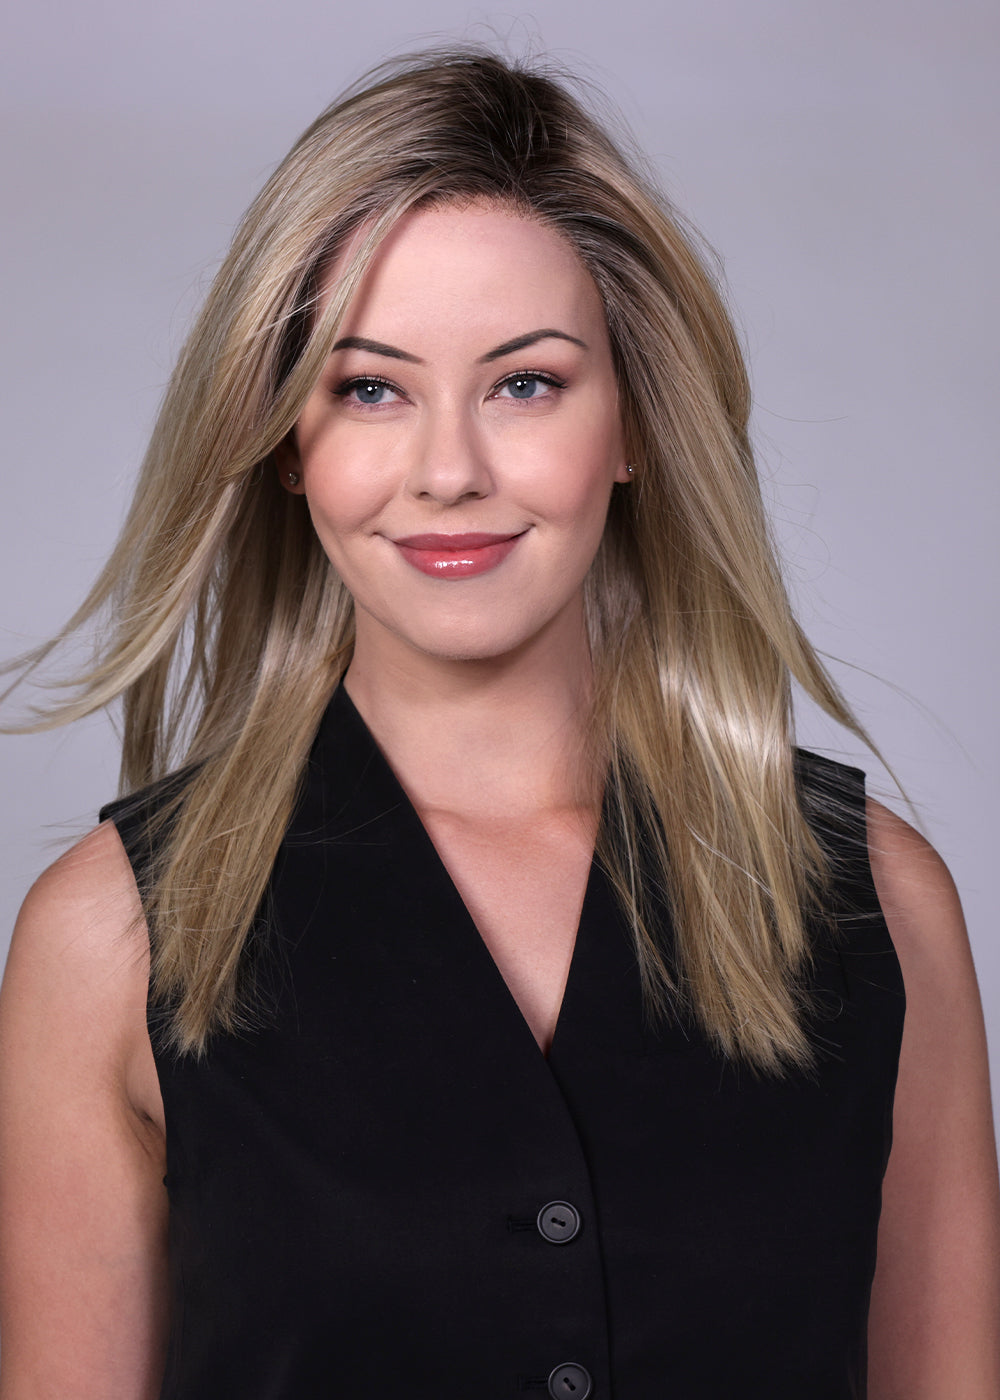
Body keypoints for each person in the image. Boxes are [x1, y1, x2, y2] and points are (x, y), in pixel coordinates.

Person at [0, 44, 997, 1400]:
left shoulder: (882, 906)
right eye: (370, 387)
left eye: (525, 382)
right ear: (289, 444)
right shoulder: (108, 939)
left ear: (632, 423)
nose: (449, 470)